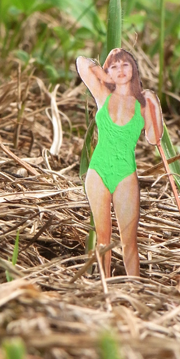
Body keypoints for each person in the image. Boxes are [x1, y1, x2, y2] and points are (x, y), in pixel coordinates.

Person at [76, 48, 163, 277]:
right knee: (103, 238)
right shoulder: (102, 95)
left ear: (134, 69)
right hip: (98, 171)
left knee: (129, 241)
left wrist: (154, 105)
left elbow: (154, 139)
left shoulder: (142, 104)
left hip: (125, 173)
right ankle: (105, 290)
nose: (120, 70)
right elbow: (81, 63)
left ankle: (134, 290)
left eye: (125, 65)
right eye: (114, 66)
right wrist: (105, 74)